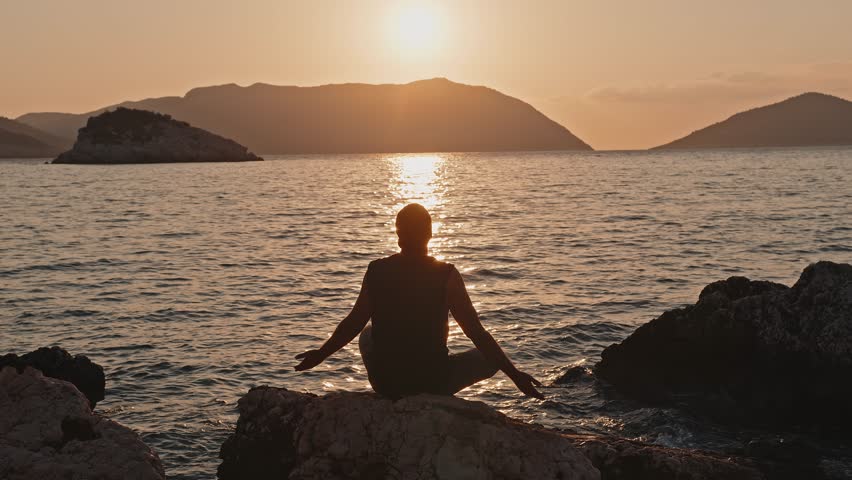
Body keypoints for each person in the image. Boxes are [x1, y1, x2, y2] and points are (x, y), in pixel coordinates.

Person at [294, 203, 543, 399]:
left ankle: (392, 385)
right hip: (432, 382)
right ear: (430, 234)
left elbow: (353, 323)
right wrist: (516, 376)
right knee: (488, 356)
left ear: (398, 234)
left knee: (367, 333)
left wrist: (321, 354)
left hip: (387, 383)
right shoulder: (447, 275)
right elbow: (476, 332)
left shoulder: (377, 270)